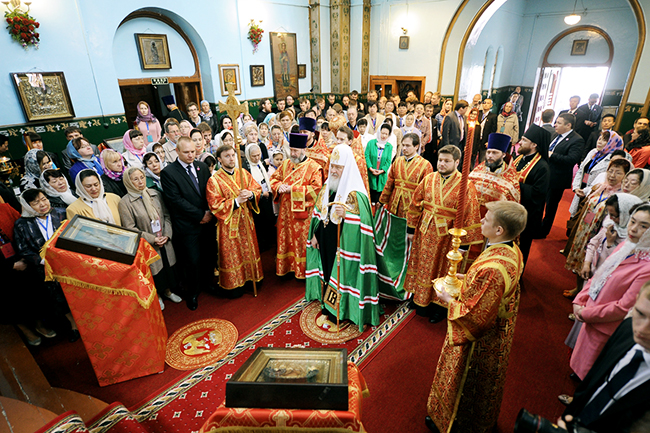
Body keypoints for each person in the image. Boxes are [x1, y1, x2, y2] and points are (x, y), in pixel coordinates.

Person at [425, 200, 527, 433]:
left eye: (486, 219)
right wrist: (468, 278)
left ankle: (453, 423)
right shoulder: (512, 249)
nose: (481, 220)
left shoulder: (493, 269)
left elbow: (476, 317)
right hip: (498, 330)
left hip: (479, 343)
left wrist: (448, 299)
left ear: (499, 230)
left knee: (466, 383)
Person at [571, 203, 650, 380]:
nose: (634, 229)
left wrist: (586, 313)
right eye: (633, 222)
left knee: (590, 375)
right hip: (591, 311)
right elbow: (600, 274)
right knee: (579, 367)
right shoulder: (626, 246)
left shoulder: (647, 267)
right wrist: (580, 298)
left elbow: (623, 307)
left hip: (604, 325)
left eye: (644, 226)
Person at [405, 145, 483, 322]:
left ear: (457, 162)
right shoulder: (429, 179)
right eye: (440, 160)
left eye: (447, 161)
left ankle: (439, 306)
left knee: (444, 269)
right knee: (421, 264)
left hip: (448, 236)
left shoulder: (466, 185)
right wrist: (411, 229)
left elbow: (469, 215)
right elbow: (415, 203)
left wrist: (463, 245)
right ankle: (418, 297)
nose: (441, 164)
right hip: (425, 231)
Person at [306, 144, 379, 330]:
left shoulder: (356, 193)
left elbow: (365, 225)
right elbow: (319, 213)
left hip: (345, 245)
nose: (334, 171)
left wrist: (348, 215)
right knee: (327, 271)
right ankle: (328, 304)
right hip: (325, 239)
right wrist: (315, 235)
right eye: (332, 166)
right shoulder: (327, 186)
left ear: (347, 168)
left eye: (339, 167)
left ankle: (342, 310)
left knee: (341, 276)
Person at [560, 282, 650, 432]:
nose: (642, 329)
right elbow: (592, 381)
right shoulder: (628, 329)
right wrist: (569, 416)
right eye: (640, 314)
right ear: (636, 302)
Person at [13, 189, 79, 342]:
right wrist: (43, 260)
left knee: (76, 293)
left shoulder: (61, 213)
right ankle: (73, 325)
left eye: (43, 199)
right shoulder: (21, 224)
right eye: (36, 203)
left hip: (70, 264)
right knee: (59, 298)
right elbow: (23, 249)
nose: (42, 204)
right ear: (27, 206)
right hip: (45, 269)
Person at [376, 133, 433, 300]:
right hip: (395, 207)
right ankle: (390, 268)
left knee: (408, 243)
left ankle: (406, 274)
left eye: (408, 145)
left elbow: (426, 192)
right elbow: (389, 183)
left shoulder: (426, 166)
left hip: (412, 211)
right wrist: (382, 201)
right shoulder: (398, 161)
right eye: (403, 145)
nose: (405, 148)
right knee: (393, 239)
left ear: (416, 146)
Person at [161, 136, 214, 310]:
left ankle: (209, 284)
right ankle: (193, 292)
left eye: (193, 151)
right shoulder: (169, 172)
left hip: (207, 221)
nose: (191, 155)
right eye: (186, 152)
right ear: (177, 151)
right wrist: (200, 215)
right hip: (187, 225)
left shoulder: (202, 167)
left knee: (208, 255)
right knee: (192, 260)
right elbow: (175, 201)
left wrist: (208, 212)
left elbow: (209, 191)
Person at [564, 158, 631, 296]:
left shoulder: (621, 197)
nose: (612, 175)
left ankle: (584, 294)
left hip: (599, 234)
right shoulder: (601, 187)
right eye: (610, 171)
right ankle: (578, 288)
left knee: (591, 264)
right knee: (581, 260)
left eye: (618, 173)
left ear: (626, 176)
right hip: (585, 229)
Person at [118, 167, 182, 310]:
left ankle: (168, 291)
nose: (140, 182)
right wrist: (152, 239)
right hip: (148, 244)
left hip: (164, 239)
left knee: (167, 267)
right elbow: (130, 228)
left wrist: (167, 235)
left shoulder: (155, 194)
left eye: (142, 177)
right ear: (128, 182)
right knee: (154, 272)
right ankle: (157, 296)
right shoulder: (125, 203)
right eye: (135, 179)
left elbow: (166, 216)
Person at [206, 145, 263, 298]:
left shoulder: (243, 173)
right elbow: (214, 205)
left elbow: (257, 189)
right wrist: (236, 201)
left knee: (248, 251)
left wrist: (251, 194)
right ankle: (235, 284)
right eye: (227, 156)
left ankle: (252, 279)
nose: (231, 159)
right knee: (233, 255)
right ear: (219, 159)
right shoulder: (214, 181)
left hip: (246, 222)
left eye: (233, 155)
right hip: (229, 226)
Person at [269, 133, 323, 279]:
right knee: (287, 239)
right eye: (291, 150)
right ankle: (287, 268)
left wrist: (292, 189)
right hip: (286, 212)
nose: (292, 153)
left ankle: (303, 271)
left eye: (296, 151)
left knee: (301, 242)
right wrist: (279, 186)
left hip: (303, 215)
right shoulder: (286, 164)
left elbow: (317, 190)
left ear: (304, 149)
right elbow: (274, 179)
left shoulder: (314, 167)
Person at [541, 113, 585, 238]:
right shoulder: (555, 135)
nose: (555, 125)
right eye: (556, 122)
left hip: (557, 178)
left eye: (559, 123)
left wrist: (552, 155)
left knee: (550, 207)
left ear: (568, 125)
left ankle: (544, 230)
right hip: (545, 175)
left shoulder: (577, 140)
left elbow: (572, 159)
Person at [514, 124, 551, 264]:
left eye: (524, 140)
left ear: (534, 145)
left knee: (521, 249)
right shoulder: (519, 158)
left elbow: (538, 193)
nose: (520, 142)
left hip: (527, 215)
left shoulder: (542, 167)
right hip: (512, 210)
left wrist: (514, 185)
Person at [570, 130, 624, 218]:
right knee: (574, 218)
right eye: (599, 139)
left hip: (595, 195)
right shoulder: (593, 152)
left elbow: (605, 181)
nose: (599, 142)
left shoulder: (613, 160)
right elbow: (581, 170)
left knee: (586, 219)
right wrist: (576, 187)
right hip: (580, 190)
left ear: (612, 143)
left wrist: (585, 191)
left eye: (604, 140)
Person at [468, 132, 521, 212]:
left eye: (494, 153)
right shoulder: (477, 171)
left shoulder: (510, 178)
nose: (490, 156)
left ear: (503, 155)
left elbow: (511, 207)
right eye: (488, 152)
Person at [245, 143, 275, 252]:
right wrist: (261, 194)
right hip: (256, 201)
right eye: (254, 156)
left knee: (269, 221)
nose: (257, 158)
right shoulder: (246, 167)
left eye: (258, 155)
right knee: (260, 224)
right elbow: (247, 187)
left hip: (267, 196)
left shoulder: (260, 163)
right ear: (249, 156)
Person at [365, 124, 394, 204]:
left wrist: (381, 171)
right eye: (382, 133)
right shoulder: (371, 143)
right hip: (370, 173)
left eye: (386, 134)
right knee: (370, 197)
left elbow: (388, 161)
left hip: (381, 174)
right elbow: (366, 156)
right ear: (379, 132)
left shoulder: (389, 146)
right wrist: (371, 168)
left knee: (379, 199)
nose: (384, 136)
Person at [473, 98, 497, 166]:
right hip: (476, 139)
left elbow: (493, 130)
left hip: (485, 140)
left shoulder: (493, 116)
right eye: (484, 103)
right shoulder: (478, 113)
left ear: (491, 105)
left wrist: (489, 141)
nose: (485, 104)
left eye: (488, 103)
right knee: (472, 158)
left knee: (482, 159)